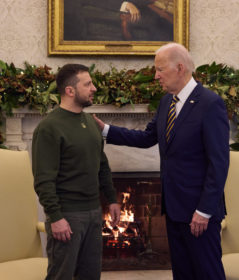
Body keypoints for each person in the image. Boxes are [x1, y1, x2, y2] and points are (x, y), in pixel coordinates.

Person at [93, 43, 230, 279]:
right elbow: (147, 138)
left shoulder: (210, 104)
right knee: (183, 273)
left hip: (200, 213)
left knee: (208, 274)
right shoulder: (167, 101)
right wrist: (106, 130)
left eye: (160, 69)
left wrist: (205, 211)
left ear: (179, 68)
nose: (155, 76)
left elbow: (219, 164)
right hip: (174, 208)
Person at [32, 64, 121, 280]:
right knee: (60, 275)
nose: (94, 88)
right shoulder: (49, 128)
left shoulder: (90, 123)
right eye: (88, 84)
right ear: (70, 91)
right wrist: (55, 217)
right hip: (67, 216)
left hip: (93, 212)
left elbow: (102, 165)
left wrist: (111, 200)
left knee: (91, 276)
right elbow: (43, 180)